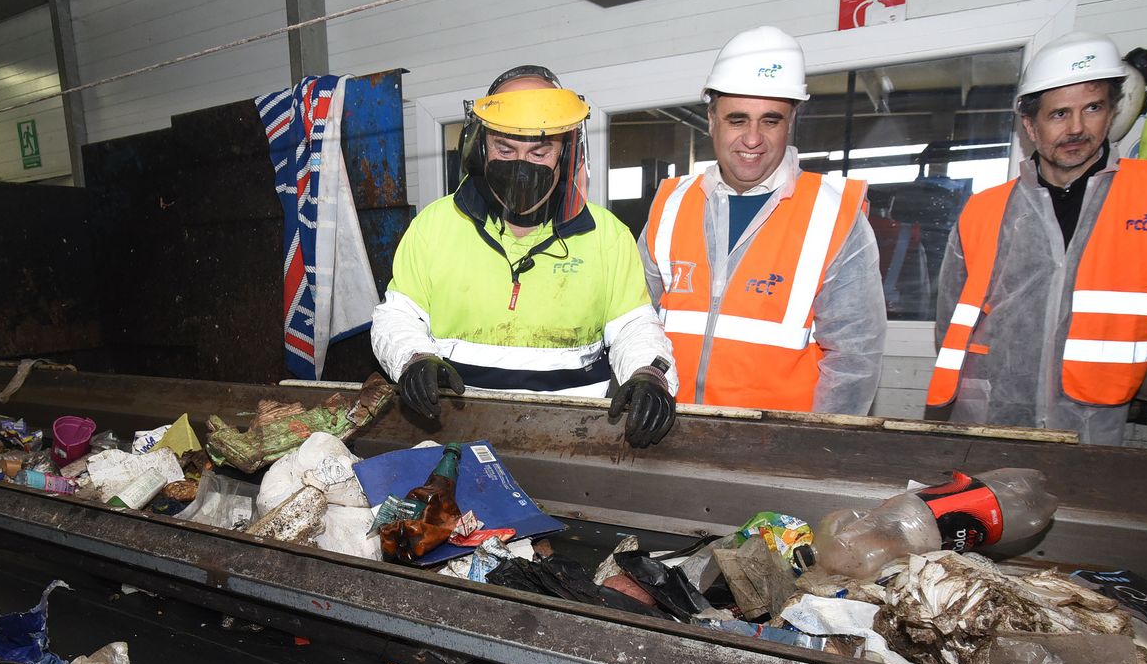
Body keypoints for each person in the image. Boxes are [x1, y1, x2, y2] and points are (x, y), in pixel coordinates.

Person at [370, 65, 678, 448]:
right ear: (480, 148)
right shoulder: (435, 225)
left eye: (539, 151)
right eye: (505, 149)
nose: (521, 167)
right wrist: (412, 358)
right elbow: (398, 315)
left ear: (566, 153)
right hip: (452, 437)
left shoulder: (607, 236)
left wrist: (650, 373)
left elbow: (634, 327)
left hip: (574, 444)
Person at [927, 32, 1147, 445]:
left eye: (1092, 108)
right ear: (1031, 126)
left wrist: (1115, 367)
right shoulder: (985, 209)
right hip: (993, 405)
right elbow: (952, 315)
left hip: (1092, 410)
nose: (1076, 128)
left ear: (1111, 113)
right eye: (1058, 115)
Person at [640, 26, 885, 414]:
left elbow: (854, 360)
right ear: (711, 120)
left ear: (791, 122)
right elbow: (638, 322)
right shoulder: (671, 203)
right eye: (737, 120)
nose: (752, 139)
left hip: (774, 447)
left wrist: (812, 450)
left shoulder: (836, 215)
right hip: (668, 429)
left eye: (770, 121)